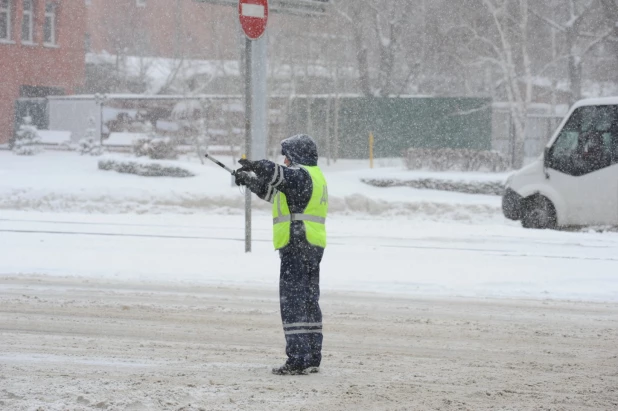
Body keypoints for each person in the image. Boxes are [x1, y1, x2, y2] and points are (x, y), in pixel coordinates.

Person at [234, 134, 328, 375]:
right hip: (310, 244)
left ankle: (297, 358)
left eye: (286, 156)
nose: (284, 161)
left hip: (297, 243)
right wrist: (249, 180)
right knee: (308, 301)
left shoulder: (301, 174)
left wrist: (257, 165)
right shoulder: (313, 177)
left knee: (293, 302)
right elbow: (275, 194)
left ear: (296, 155)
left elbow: (279, 176)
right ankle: (311, 356)